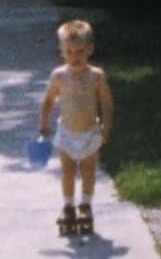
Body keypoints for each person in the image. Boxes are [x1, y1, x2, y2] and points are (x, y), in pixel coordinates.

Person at [39, 20, 113, 235]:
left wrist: (106, 125)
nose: (74, 57)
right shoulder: (59, 76)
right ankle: (69, 206)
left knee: (88, 171)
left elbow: (106, 102)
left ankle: (85, 206)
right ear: (62, 51)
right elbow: (48, 100)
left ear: (90, 49)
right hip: (67, 132)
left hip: (90, 131)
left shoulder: (96, 76)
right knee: (68, 171)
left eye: (80, 51)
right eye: (69, 51)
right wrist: (43, 122)